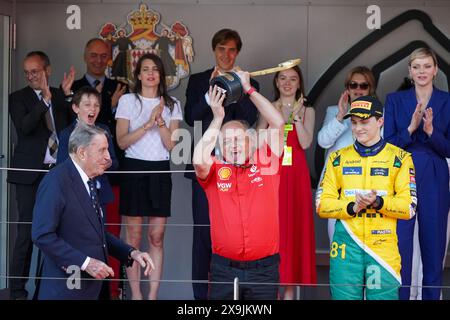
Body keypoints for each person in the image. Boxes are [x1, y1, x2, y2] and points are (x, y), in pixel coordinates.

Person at [31, 123, 155, 299]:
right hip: (65, 291)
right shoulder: (56, 181)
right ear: (82, 152)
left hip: (92, 289)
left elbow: (97, 233)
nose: (108, 158)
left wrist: (131, 252)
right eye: (102, 151)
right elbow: (41, 235)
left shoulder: (89, 180)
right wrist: (85, 263)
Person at [193, 70, 285, 300]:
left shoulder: (268, 162)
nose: (232, 145)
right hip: (225, 270)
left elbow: (277, 122)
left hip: (264, 271)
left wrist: (248, 89)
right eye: (226, 142)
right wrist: (217, 118)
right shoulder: (214, 170)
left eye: (238, 139)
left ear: (251, 141)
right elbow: (197, 160)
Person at [316, 95, 417, 300]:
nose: (358, 128)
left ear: (380, 121)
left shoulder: (400, 159)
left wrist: (378, 202)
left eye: (364, 122)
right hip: (346, 250)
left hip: (381, 251)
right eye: (354, 123)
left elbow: (408, 207)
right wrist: (352, 206)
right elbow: (321, 205)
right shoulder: (337, 158)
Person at [184, 28, 259, 300]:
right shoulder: (198, 80)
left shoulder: (248, 81)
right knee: (203, 235)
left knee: (233, 234)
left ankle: (229, 294)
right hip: (206, 167)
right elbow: (191, 117)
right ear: (213, 50)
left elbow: (249, 119)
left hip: (237, 170)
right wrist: (210, 93)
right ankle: (200, 298)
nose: (226, 55)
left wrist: (238, 86)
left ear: (237, 52)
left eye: (231, 50)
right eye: (221, 49)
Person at [384, 47, 450, 300]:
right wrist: (411, 128)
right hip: (401, 174)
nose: (421, 71)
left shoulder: (447, 100)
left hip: (435, 175)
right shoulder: (395, 100)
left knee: (433, 250)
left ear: (435, 70)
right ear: (409, 72)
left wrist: (432, 132)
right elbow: (388, 146)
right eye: (416, 67)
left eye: (426, 66)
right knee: (400, 249)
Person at [7, 51, 74, 300]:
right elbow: (24, 128)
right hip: (29, 176)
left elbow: (69, 129)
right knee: (26, 234)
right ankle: (16, 292)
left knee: (52, 233)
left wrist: (65, 97)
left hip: (56, 173)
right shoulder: (18, 98)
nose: (30, 76)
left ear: (47, 70)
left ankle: (42, 288)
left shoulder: (58, 94)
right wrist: (43, 102)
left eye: (35, 71)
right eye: (27, 72)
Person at [115, 53, 182, 300]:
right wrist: (146, 125)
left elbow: (171, 145)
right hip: (133, 169)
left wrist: (161, 122)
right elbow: (121, 142)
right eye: (145, 69)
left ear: (161, 75)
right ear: (139, 74)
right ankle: (135, 294)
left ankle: (152, 295)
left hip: (160, 170)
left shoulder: (172, 103)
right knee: (132, 237)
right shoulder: (127, 101)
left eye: (155, 69)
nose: (151, 73)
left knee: (156, 237)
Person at [72, 38, 127, 298]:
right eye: (93, 55)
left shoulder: (119, 88)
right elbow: (63, 165)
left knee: (107, 240)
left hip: (103, 190)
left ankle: (110, 291)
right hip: (74, 197)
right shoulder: (71, 90)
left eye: (103, 55)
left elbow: (114, 158)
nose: (98, 60)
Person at [257, 66, 316, 299]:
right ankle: (273, 290)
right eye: (283, 78)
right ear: (276, 82)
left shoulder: (308, 110)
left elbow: (305, 142)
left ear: (299, 83)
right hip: (273, 171)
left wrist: (297, 118)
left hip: (297, 174)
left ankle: (290, 293)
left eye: (293, 79)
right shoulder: (268, 108)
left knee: (294, 228)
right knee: (275, 228)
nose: (288, 83)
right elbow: (258, 137)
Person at [317, 66, 377, 243]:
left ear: (370, 88)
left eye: (363, 85)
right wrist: (341, 115)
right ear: (347, 88)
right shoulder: (334, 111)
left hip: (368, 185)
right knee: (337, 238)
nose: (358, 89)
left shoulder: (380, 114)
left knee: (367, 242)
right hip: (338, 185)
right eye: (354, 85)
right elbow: (323, 141)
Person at [57, 86, 118, 215]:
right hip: (74, 195)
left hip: (100, 194)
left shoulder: (104, 131)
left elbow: (114, 162)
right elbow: (61, 166)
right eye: (87, 105)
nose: (92, 109)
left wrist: (106, 163)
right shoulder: (66, 134)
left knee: (100, 233)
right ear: (75, 108)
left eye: (96, 105)